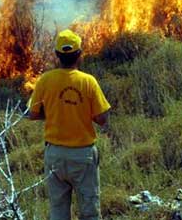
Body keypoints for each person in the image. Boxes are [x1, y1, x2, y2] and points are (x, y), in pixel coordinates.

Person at [28, 29, 111, 220]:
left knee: (58, 212)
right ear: (79, 54)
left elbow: (32, 114)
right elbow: (102, 119)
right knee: (89, 212)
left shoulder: (45, 80)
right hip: (83, 157)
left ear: (57, 55)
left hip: (55, 155)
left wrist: (55, 111)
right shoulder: (88, 82)